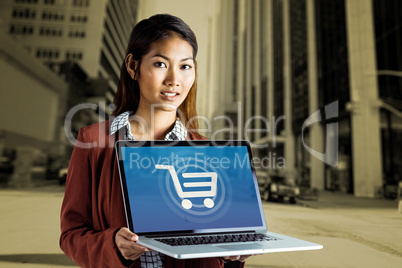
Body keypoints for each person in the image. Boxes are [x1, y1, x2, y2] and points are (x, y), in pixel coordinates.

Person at [60, 14, 252, 268]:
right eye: (161, 64)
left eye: (185, 66)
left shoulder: (206, 151)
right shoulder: (93, 143)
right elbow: (71, 236)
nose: (174, 79)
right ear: (133, 66)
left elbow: (217, 246)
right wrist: (112, 245)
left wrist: (233, 256)